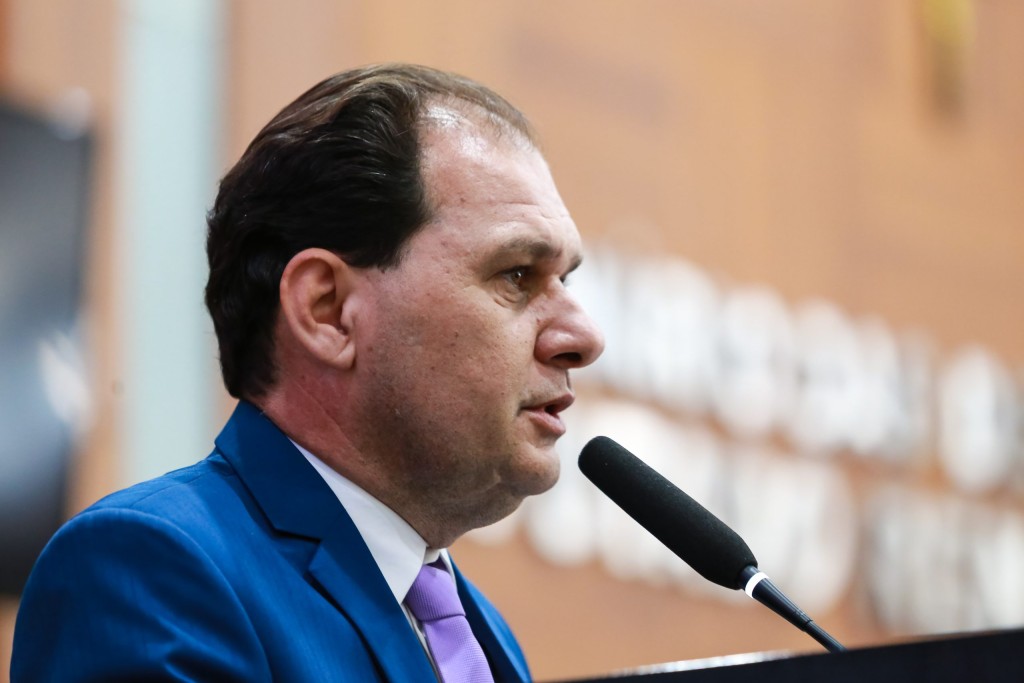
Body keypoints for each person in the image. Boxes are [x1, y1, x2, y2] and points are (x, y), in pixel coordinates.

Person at [11, 64, 604, 682]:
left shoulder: (484, 635)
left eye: (566, 280)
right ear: (328, 311)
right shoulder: (150, 571)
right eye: (516, 275)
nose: (584, 338)